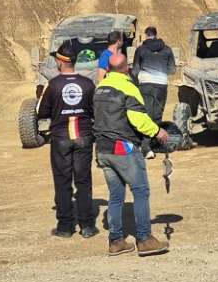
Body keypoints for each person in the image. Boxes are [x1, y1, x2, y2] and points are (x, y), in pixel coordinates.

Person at [93, 51, 169, 257]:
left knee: (116, 195)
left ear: (108, 69)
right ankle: (144, 239)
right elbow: (138, 120)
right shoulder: (128, 88)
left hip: (102, 149)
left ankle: (116, 241)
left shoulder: (99, 88)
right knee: (141, 191)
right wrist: (158, 131)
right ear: (127, 69)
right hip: (122, 148)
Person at [38, 40, 98, 239]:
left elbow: (41, 112)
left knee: (63, 183)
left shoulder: (52, 85)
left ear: (60, 62)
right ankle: (87, 226)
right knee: (83, 182)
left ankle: (65, 226)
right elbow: (94, 111)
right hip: (83, 137)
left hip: (60, 139)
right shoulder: (88, 83)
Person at [130, 26, 176, 124]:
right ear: (157, 35)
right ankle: (158, 135)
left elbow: (135, 70)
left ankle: (148, 137)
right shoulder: (167, 49)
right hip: (161, 84)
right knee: (158, 114)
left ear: (146, 36)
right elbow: (172, 70)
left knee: (147, 113)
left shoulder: (140, 50)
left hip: (145, 84)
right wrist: (162, 71)